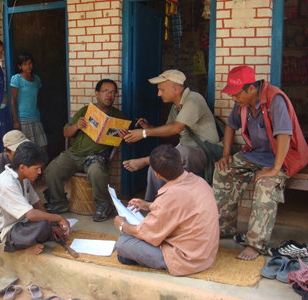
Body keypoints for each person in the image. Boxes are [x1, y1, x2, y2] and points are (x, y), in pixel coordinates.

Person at [213, 66, 308, 260]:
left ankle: (256, 244)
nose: (234, 99)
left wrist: (274, 169)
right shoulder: (242, 104)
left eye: (236, 94)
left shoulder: (276, 99)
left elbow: (284, 135)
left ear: (252, 89)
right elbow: (231, 126)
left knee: (265, 185)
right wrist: (225, 154)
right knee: (224, 171)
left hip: (284, 157)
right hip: (256, 154)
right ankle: (224, 227)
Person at [114, 144, 219, 276]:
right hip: (205, 253)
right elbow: (180, 208)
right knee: (133, 238)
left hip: (187, 260)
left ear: (156, 174)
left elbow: (146, 233)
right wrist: (149, 205)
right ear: (181, 160)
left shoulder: (170, 197)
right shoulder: (200, 182)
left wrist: (122, 225)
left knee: (124, 243)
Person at [122, 69, 219, 201]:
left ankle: (146, 160)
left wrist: (144, 133)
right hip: (185, 149)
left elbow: (176, 128)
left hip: (204, 151)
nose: (158, 94)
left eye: (162, 90)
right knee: (156, 169)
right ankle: (154, 207)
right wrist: (149, 127)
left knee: (171, 157)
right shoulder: (176, 106)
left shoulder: (194, 100)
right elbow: (169, 131)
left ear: (175, 89)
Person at [44, 79, 127, 222]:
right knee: (52, 170)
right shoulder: (85, 111)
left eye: (113, 92)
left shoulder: (119, 116)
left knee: (97, 172)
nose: (110, 95)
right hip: (74, 155)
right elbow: (66, 133)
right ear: (97, 93)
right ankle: (59, 203)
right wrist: (77, 125)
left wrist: (123, 136)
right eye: (105, 91)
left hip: (96, 157)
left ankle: (103, 205)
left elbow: (124, 139)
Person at [0, 141, 70, 254]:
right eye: (37, 168)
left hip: (19, 226)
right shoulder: (7, 183)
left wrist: (52, 225)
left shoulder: (24, 178)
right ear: (22, 167)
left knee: (46, 224)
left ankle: (37, 237)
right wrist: (58, 218)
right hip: (4, 236)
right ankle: (23, 250)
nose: (40, 172)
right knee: (42, 225)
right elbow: (31, 214)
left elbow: (37, 204)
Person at [10, 53, 48, 153]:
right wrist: (15, 120)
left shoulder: (36, 79)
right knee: (28, 150)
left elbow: (38, 97)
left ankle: (41, 169)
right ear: (20, 66)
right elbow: (13, 100)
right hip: (23, 119)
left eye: (30, 63)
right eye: (25, 64)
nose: (28, 66)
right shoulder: (16, 79)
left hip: (35, 117)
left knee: (43, 147)